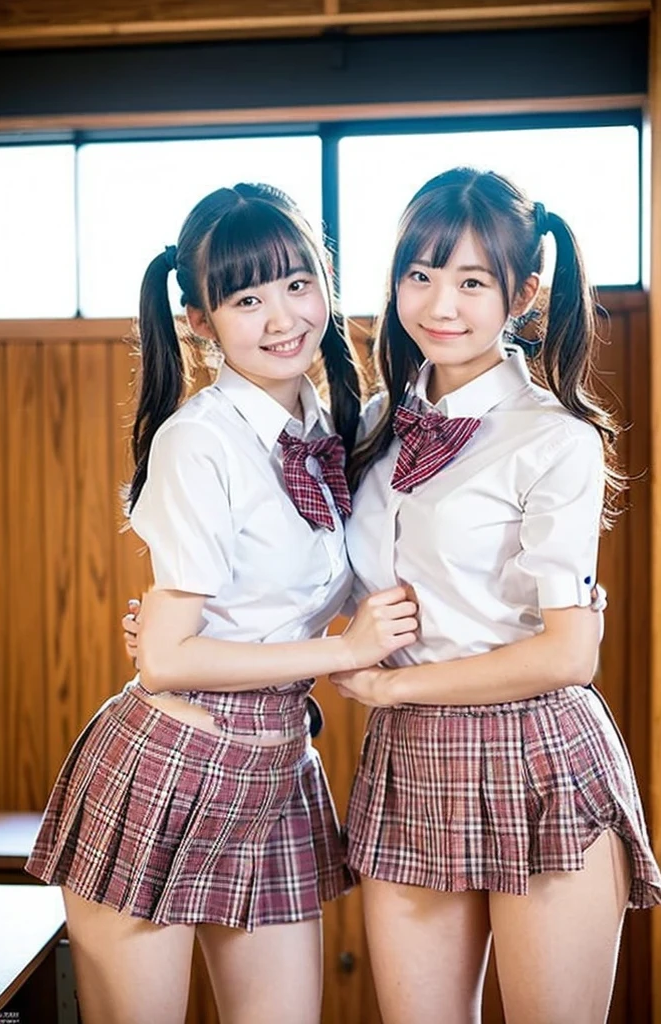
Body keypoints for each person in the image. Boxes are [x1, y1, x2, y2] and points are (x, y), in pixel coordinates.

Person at [26, 182, 419, 1024]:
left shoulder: (338, 424)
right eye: (247, 298)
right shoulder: (199, 440)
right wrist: (345, 651)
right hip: (170, 766)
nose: (282, 317)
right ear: (201, 322)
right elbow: (165, 657)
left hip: (276, 767)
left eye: (297, 283)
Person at [325, 167, 661, 1024]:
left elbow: (568, 653)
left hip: (534, 754)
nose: (441, 303)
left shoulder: (555, 438)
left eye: (472, 280)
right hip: (408, 762)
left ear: (524, 292)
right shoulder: (370, 424)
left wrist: (391, 682)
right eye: (421, 274)